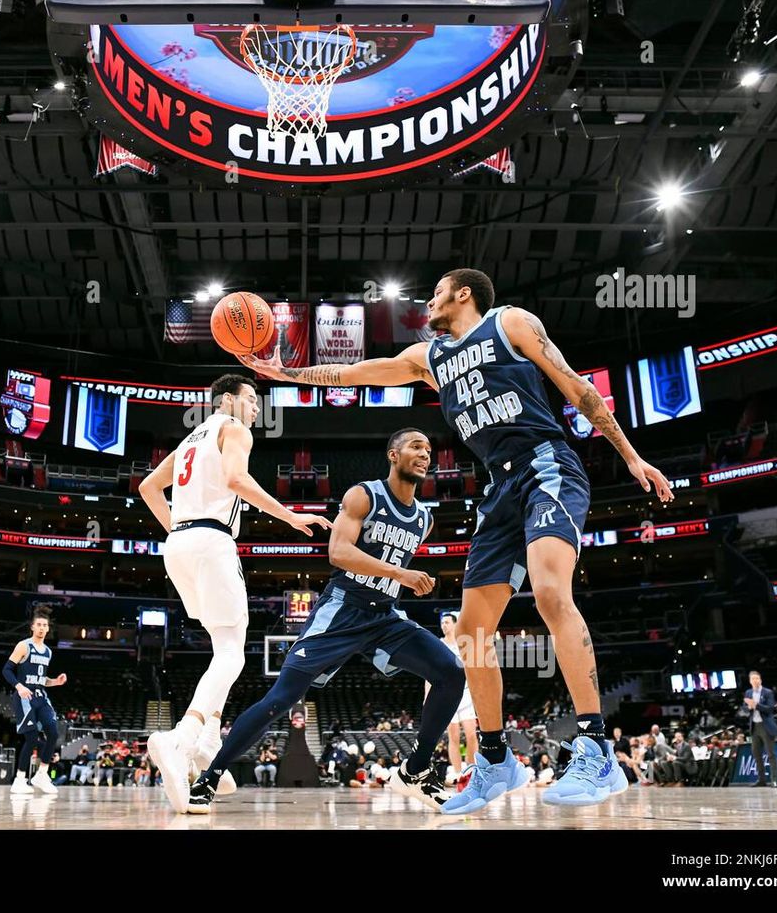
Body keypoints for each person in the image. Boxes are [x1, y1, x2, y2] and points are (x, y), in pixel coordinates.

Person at [241, 268, 674, 812]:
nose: (429, 298)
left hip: (546, 468)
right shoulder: (430, 358)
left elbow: (577, 387)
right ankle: (495, 760)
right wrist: (284, 371)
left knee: (548, 592)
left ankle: (596, 749)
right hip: (498, 491)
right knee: (470, 631)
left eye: (438, 289)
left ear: (463, 293)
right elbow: (354, 371)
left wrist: (631, 457)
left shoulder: (510, 323)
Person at [188, 429, 464, 814]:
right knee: (280, 700)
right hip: (341, 611)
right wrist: (401, 575)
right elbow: (338, 552)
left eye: (429, 450)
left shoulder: (425, 519)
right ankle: (210, 776)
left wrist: (396, 581)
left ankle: (415, 770)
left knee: (450, 671)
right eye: (416, 447)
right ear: (393, 454)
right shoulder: (364, 496)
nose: (425, 454)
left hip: (383, 616)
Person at [138, 373, 332, 812]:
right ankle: (181, 740)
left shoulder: (190, 439)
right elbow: (237, 480)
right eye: (252, 400)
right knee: (232, 653)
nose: (256, 409)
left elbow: (148, 487)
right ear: (228, 400)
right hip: (211, 542)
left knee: (222, 647)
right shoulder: (234, 428)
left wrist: (179, 531)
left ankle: (208, 742)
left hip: (179, 545)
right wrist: (291, 516)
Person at [4, 608, 66, 795]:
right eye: (38, 624)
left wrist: (55, 682)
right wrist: (19, 686)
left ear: (48, 630)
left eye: (44, 625)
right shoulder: (24, 646)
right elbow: (7, 670)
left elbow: (41, 679)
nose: (41, 628)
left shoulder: (47, 652)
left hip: (41, 695)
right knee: (31, 738)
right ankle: (20, 780)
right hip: (25, 696)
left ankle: (41, 774)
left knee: (53, 733)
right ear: (32, 627)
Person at [437, 610, 477, 785]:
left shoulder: (464, 643)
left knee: (471, 734)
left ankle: (470, 770)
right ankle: (457, 773)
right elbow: (430, 671)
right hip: (446, 692)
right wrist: (427, 695)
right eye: (442, 622)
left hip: (466, 692)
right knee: (453, 736)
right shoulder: (438, 644)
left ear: (454, 624)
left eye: (447, 622)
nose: (444, 625)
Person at [745, 670, 777, 787]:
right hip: (754, 726)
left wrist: (756, 705)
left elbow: (770, 709)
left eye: (757, 679)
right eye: (753, 679)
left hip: (766, 726)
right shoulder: (748, 692)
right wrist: (749, 707)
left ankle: (774, 780)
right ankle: (761, 780)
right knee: (756, 754)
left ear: (760, 680)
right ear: (750, 681)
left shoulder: (768, 692)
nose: (755, 681)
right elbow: (745, 709)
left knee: (771, 754)